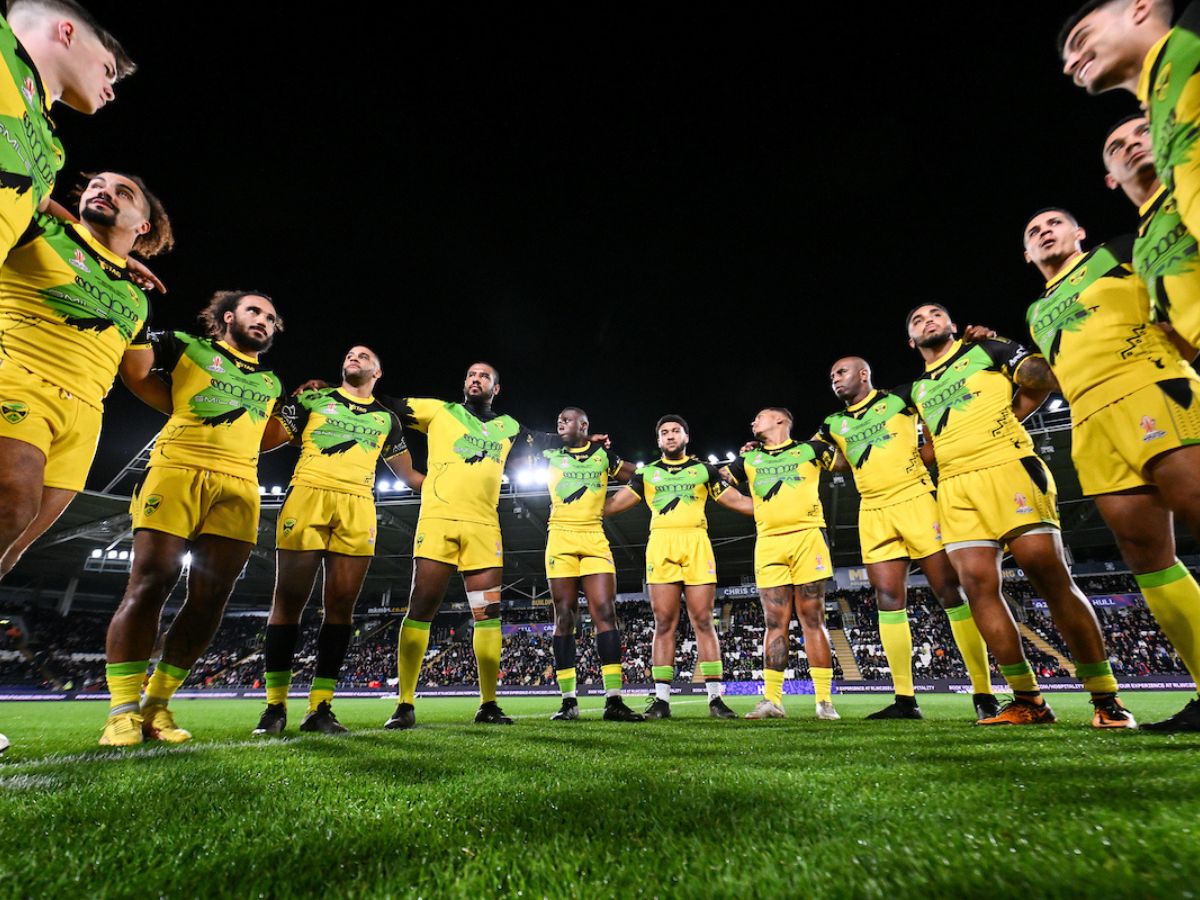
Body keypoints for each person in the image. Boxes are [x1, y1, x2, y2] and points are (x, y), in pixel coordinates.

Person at [899, 304, 1133, 727]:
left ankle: (1106, 699)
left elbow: (1039, 383)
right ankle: (1028, 701)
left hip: (1009, 466)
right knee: (977, 587)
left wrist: (1004, 347)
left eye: (935, 314)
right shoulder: (918, 390)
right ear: (911, 341)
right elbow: (934, 442)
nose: (927, 320)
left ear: (952, 325)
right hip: (955, 485)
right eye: (917, 321)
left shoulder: (985, 350)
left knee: (1047, 574)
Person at [1020, 205, 1200, 731]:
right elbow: (1051, 370)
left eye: (1053, 223)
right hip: (1089, 420)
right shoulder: (1037, 310)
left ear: (1080, 231)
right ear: (1026, 255)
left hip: (1151, 387)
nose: (1043, 232)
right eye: (1033, 231)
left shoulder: (1119, 252)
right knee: (1148, 557)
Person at [99, 291, 284, 746]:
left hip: (240, 484)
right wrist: (177, 403)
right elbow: (136, 373)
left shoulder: (271, 382)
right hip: (177, 469)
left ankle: (156, 705)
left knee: (211, 596)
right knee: (152, 578)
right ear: (227, 317)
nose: (264, 321)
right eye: (254, 312)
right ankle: (121, 710)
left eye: (271, 318)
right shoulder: (186, 346)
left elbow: (263, 437)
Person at [384, 362, 578, 729]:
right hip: (438, 522)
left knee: (487, 615)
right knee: (422, 605)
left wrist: (584, 440)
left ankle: (488, 703)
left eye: (484, 376)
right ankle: (405, 704)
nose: (476, 379)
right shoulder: (441, 412)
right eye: (471, 375)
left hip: (483, 529)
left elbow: (545, 440)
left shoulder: (508, 428)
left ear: (496, 388)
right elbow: (388, 405)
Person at [0, 170, 172, 579]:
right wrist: (72, 224)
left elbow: (137, 374)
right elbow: (24, 190)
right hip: (18, 381)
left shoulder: (136, 296)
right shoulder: (40, 230)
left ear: (143, 226)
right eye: (97, 186)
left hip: (83, 421)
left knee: (13, 547)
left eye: (122, 192)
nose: (103, 192)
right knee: (12, 506)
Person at [250, 346, 425, 736]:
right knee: (288, 601)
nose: (354, 357)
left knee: (342, 606)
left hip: (358, 505)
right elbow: (267, 439)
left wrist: (453, 490)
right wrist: (285, 403)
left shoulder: (386, 419)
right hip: (308, 495)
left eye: (364, 356)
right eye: (349, 354)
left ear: (377, 372)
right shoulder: (315, 399)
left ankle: (320, 707)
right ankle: (274, 707)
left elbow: (409, 475)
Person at [822, 359, 997, 720]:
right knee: (887, 599)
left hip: (915, 500)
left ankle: (984, 694)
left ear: (864, 373)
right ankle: (905, 700)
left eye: (842, 373)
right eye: (832, 376)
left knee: (950, 591)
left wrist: (926, 455)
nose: (835, 379)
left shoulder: (902, 397)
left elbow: (937, 425)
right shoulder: (832, 424)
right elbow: (823, 457)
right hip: (872, 511)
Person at [1060, 0, 1200, 347]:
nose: (1070, 65)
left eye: (1081, 39)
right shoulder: (1161, 110)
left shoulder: (1188, 39)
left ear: (1140, 7)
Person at [603, 415, 742, 719]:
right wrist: (574, 508)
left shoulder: (704, 470)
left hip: (696, 542)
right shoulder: (648, 474)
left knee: (703, 620)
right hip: (661, 544)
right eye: (664, 432)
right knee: (663, 622)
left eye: (675, 431)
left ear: (686, 437)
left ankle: (716, 699)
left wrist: (774, 509)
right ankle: (661, 700)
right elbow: (614, 504)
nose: (669, 436)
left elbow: (734, 499)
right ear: (658, 440)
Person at [719, 408, 841, 721]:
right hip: (769, 542)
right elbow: (717, 484)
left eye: (758, 416)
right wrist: (754, 507)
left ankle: (824, 702)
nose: (752, 421)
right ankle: (772, 700)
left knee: (812, 618)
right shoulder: (748, 460)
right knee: (775, 622)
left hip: (808, 536)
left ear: (780, 420)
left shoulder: (811, 450)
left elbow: (846, 462)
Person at [0, 1, 133, 258]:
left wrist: (110, 259)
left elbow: (42, 205)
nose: (111, 92)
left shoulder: (49, 150)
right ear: (67, 33)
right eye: (108, 70)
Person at [542, 407, 644, 722]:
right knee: (565, 617)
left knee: (605, 612)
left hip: (593, 538)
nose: (560, 422)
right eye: (558, 419)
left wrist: (612, 505)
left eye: (567, 419)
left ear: (584, 425)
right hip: (559, 537)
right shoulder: (548, 452)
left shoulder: (603, 456)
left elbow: (642, 477)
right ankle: (568, 701)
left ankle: (613, 700)